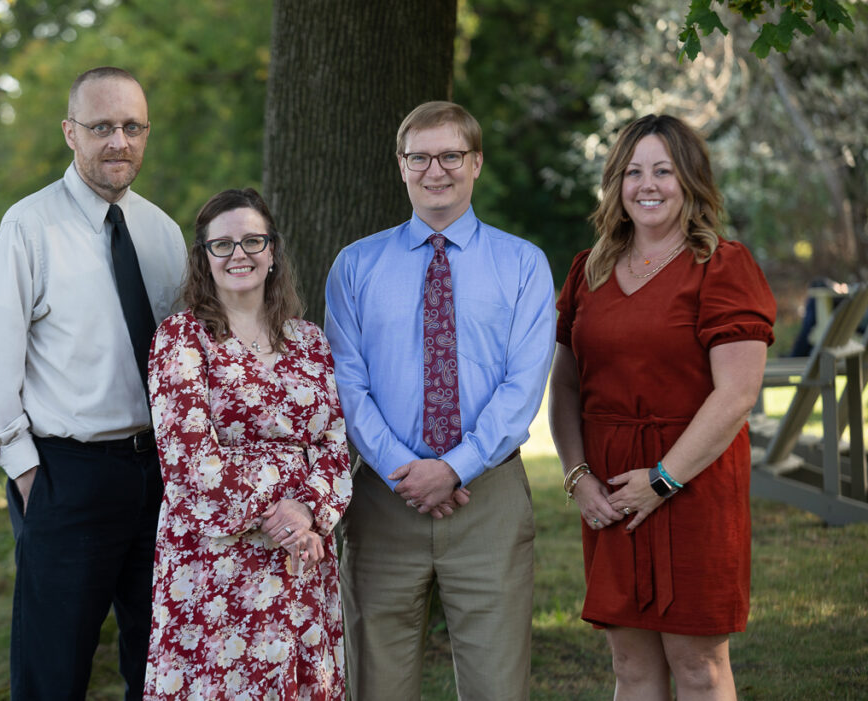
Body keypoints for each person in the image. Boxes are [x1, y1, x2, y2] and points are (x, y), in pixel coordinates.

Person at [0, 67, 186, 700]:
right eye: (102, 126)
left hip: (162, 480)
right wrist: (27, 473)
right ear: (70, 133)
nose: (119, 141)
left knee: (162, 665)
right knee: (52, 672)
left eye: (132, 126)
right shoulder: (28, 227)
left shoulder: (164, 234)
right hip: (66, 476)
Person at [325, 101, 556, 700]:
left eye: (451, 155)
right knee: (374, 683)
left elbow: (523, 385)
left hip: (490, 498)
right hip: (383, 496)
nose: (436, 170)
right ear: (400, 166)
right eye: (420, 157)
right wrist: (407, 470)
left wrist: (455, 466)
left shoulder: (524, 265)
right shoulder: (355, 266)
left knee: (497, 686)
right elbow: (347, 383)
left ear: (475, 162)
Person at [548, 114, 776, 699]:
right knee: (631, 664)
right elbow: (568, 386)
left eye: (663, 171)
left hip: (692, 482)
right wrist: (577, 478)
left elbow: (736, 394)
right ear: (616, 185)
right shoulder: (588, 270)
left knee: (698, 664)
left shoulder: (722, 266)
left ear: (690, 181)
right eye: (632, 172)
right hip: (611, 488)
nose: (647, 185)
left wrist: (664, 479)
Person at [144, 188, 352, 700]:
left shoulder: (309, 340)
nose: (240, 254)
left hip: (301, 553)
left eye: (252, 240)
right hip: (217, 560)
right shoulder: (182, 339)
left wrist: (308, 511)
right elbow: (188, 456)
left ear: (273, 251)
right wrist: (273, 511)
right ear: (204, 257)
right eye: (223, 244)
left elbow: (334, 441)